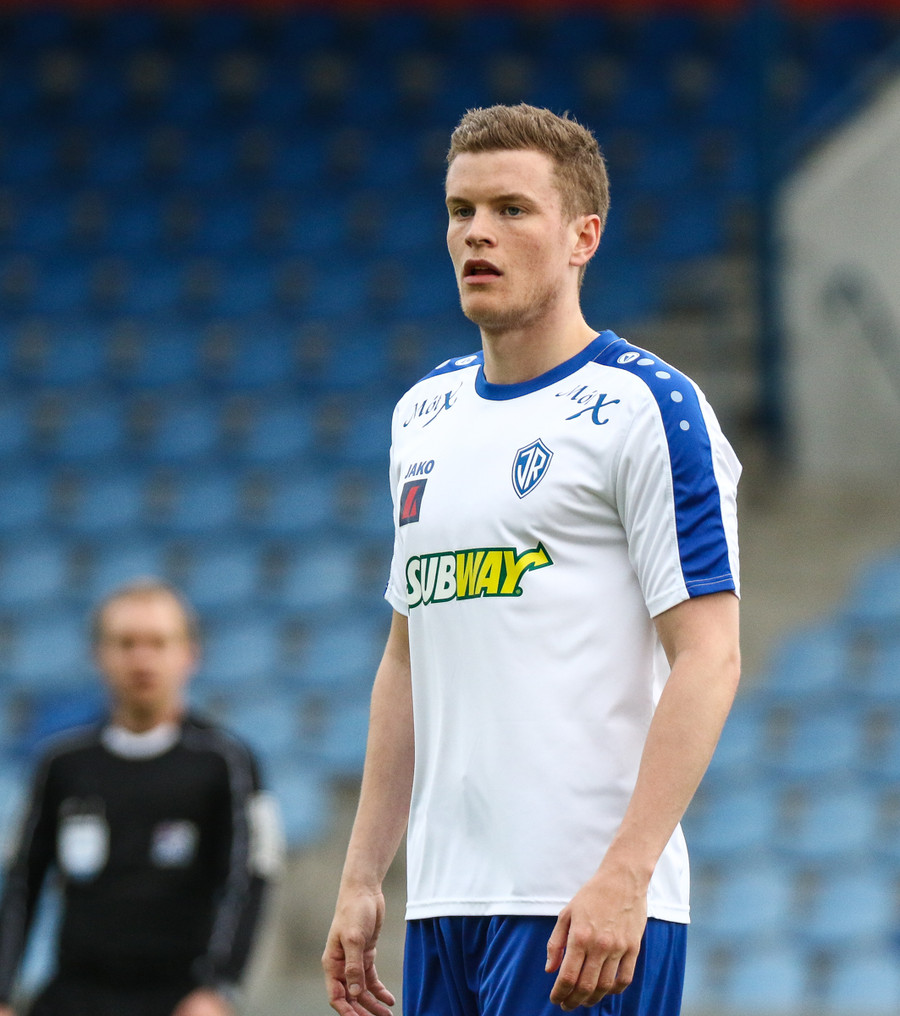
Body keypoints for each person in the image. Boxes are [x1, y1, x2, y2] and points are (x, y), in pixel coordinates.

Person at [322, 103, 741, 1016]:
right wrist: (362, 876)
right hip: (445, 906)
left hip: (581, 910)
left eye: (512, 209)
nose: (477, 232)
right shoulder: (421, 414)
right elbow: (406, 659)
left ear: (584, 236)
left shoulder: (648, 409)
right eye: (461, 210)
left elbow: (710, 657)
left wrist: (626, 874)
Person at [0, 579, 282, 1016]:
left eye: (158, 643)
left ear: (190, 654)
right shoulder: (61, 764)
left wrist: (218, 989)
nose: (142, 659)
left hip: (179, 998)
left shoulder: (226, 762)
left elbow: (250, 879)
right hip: (75, 993)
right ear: (98, 654)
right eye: (126, 643)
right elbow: (23, 881)